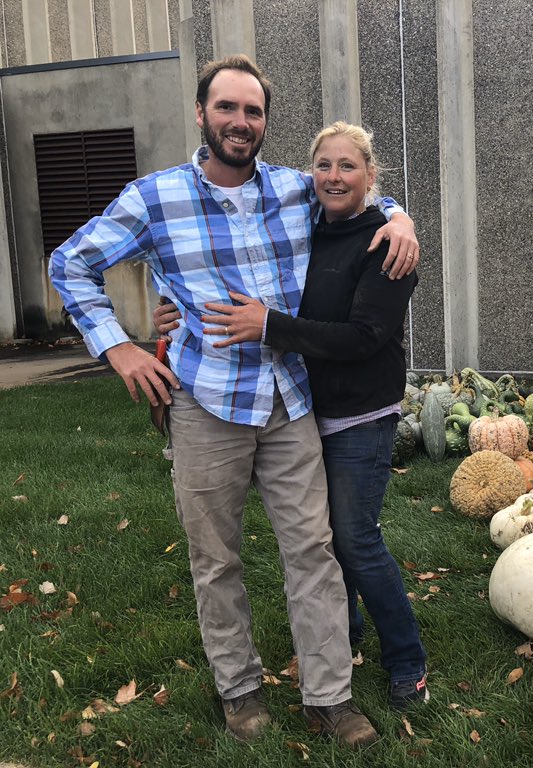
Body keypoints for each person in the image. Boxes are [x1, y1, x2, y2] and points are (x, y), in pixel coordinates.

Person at [48, 54, 419, 749]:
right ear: (201, 114)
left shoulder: (291, 188)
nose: (240, 123)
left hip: (290, 399)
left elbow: (354, 192)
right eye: (227, 108)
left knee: (313, 550)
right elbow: (70, 262)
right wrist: (119, 347)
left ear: (264, 122)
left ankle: (330, 696)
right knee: (215, 558)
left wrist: (401, 217)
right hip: (206, 404)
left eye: (253, 112)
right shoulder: (153, 199)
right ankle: (240, 689)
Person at [191, 120, 429, 710]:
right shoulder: (305, 225)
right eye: (324, 165)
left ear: (371, 177)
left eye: (349, 166)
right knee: (319, 544)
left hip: (358, 418)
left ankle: (408, 661)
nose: (334, 176)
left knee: (355, 541)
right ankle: (339, 640)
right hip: (299, 412)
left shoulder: (385, 243)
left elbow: (365, 336)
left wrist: (271, 326)